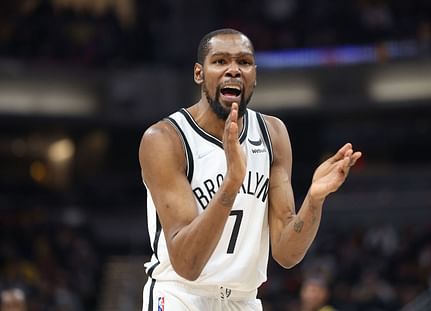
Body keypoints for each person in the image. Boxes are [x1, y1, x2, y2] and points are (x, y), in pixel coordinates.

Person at [139, 28, 362, 311]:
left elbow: (286, 253)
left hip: (243, 300)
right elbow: (187, 264)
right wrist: (232, 184)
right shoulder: (165, 139)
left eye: (243, 62)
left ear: (254, 75)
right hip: (180, 296)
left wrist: (314, 200)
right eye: (220, 61)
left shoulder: (273, 134)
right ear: (198, 73)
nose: (233, 70)